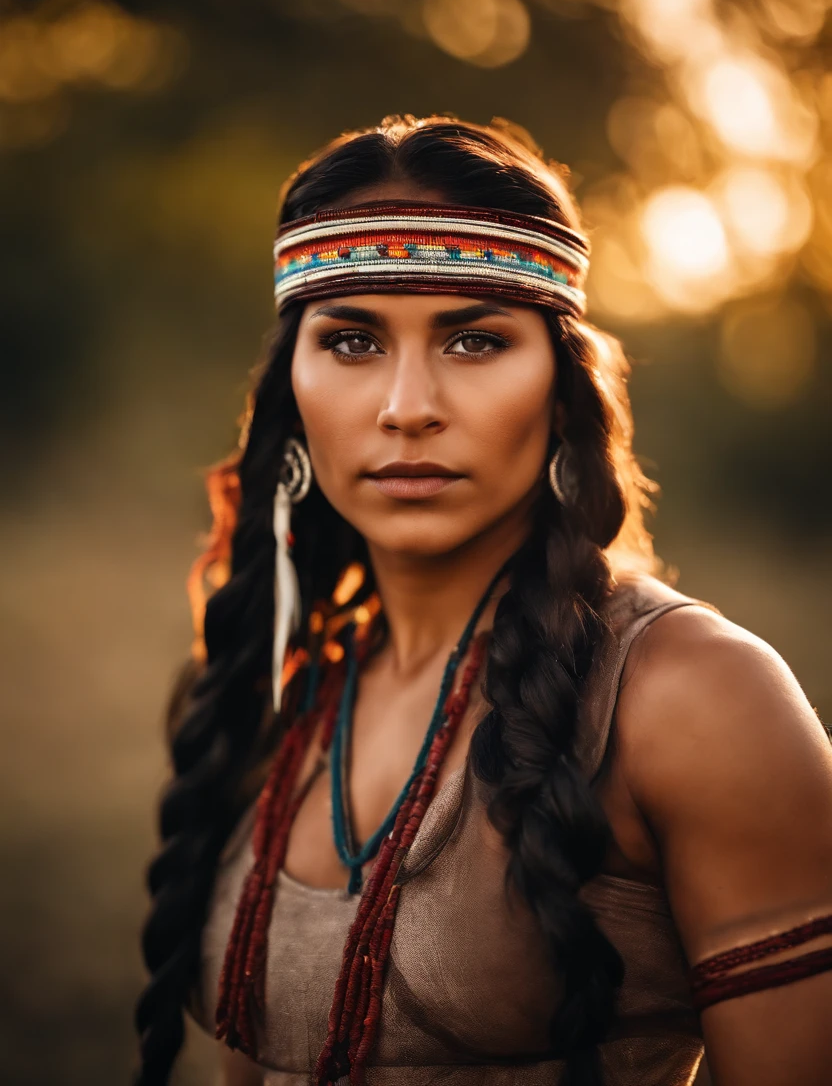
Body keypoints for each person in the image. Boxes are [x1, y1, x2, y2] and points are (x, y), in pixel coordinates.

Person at [134, 115, 832, 1086]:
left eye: (473, 339)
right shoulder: (266, 695)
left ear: (562, 387)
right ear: (290, 389)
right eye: (350, 340)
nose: (407, 406)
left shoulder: (694, 698)